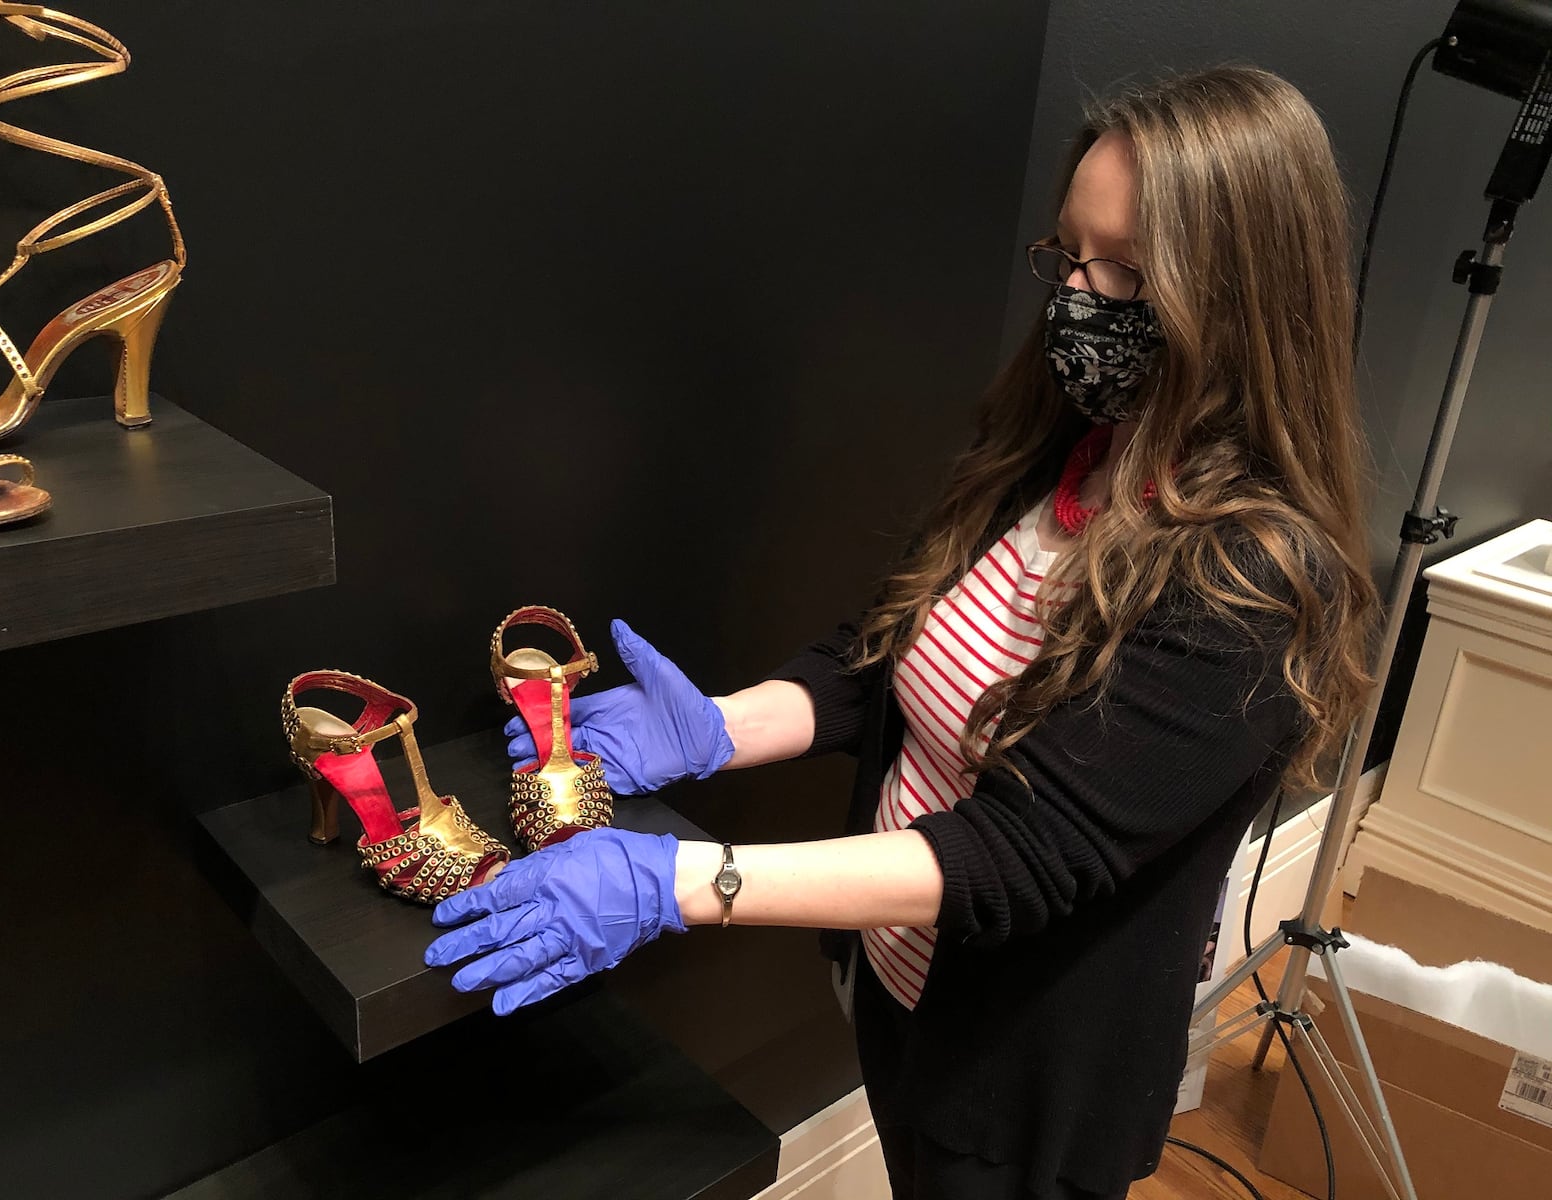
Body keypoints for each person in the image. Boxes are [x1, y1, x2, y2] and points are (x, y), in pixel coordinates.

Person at [425, 65, 1378, 1200]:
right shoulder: (1071, 445)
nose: (1078, 298)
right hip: (897, 979)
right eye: (1068, 258)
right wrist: (721, 730)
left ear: (1244, 301)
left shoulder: (1256, 585)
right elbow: (891, 651)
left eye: (1125, 272)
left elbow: (1017, 852)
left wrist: (679, 882)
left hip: (1021, 1079)